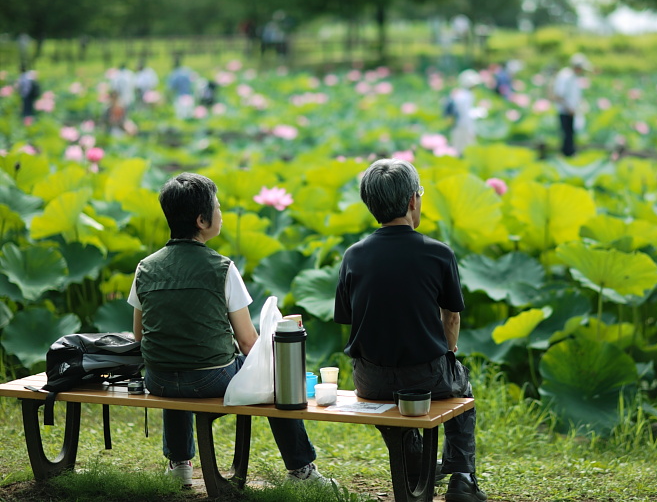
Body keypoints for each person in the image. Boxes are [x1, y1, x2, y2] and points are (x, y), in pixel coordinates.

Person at [128, 173, 334, 489]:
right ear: (201, 220)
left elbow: (140, 338)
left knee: (174, 360)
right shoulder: (222, 267)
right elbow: (249, 343)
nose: (221, 214)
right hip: (211, 378)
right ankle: (301, 470)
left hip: (158, 379)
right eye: (218, 207)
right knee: (272, 376)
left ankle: (179, 464)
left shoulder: (145, 267)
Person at [334, 159, 486, 502]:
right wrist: (448, 353)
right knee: (461, 388)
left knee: (391, 402)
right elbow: (451, 318)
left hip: (370, 379)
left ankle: (416, 464)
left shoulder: (353, 256)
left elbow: (347, 317)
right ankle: (462, 477)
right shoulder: (438, 253)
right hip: (427, 375)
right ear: (413, 201)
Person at [552, 53, 591, 157]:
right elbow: (559, 95)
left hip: (572, 111)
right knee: (567, 134)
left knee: (571, 133)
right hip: (565, 111)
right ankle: (567, 154)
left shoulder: (574, 77)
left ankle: (569, 153)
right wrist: (569, 109)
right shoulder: (565, 76)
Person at [447, 69, 481, 151]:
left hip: (457, 125)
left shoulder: (459, 93)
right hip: (463, 126)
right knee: (464, 148)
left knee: (458, 146)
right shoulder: (466, 96)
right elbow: (465, 115)